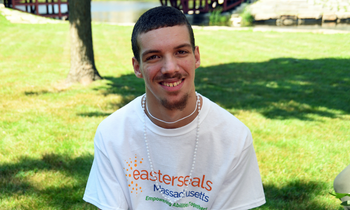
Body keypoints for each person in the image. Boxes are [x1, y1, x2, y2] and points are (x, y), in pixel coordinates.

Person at [83, 6, 265, 210]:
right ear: (137, 67)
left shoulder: (234, 138)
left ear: (196, 57)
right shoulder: (112, 134)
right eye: (153, 56)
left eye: (181, 52)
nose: (170, 68)